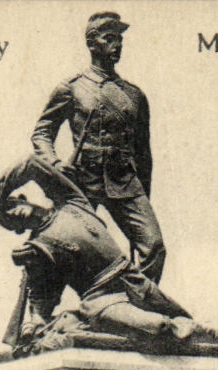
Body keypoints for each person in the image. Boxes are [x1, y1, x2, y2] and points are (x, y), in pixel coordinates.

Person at [0, 155, 196, 352]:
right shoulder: (37, 249)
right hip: (101, 301)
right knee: (160, 327)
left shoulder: (71, 201)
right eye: (7, 220)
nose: (11, 214)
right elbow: (40, 296)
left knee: (189, 327)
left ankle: (216, 332)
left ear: (22, 199)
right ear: (17, 229)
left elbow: (30, 163)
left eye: (8, 207)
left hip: (134, 281)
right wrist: (34, 323)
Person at [31, 12, 165, 282]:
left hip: (124, 183)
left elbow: (143, 152)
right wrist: (55, 165)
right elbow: (42, 133)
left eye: (119, 39)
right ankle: (41, 313)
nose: (117, 45)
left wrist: (144, 193)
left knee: (154, 248)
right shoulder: (71, 88)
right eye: (109, 38)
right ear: (92, 44)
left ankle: (136, 310)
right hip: (83, 183)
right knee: (61, 246)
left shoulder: (134, 95)